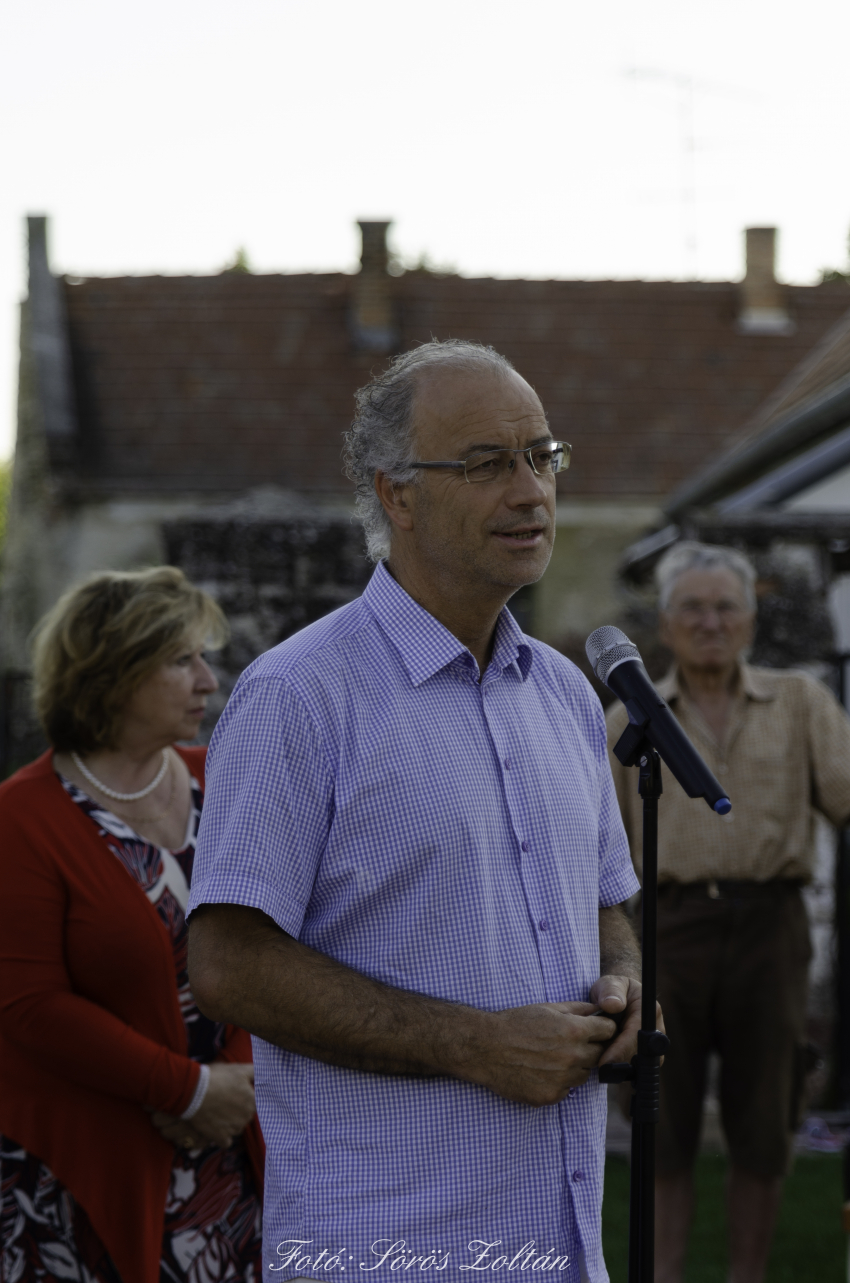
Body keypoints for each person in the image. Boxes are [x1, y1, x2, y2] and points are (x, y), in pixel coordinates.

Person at [186, 338, 658, 1283]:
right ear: (395, 494)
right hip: (384, 1244)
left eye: (541, 455)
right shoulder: (301, 695)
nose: (530, 491)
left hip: (558, 1240)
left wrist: (622, 980)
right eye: (488, 463)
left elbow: (604, 901)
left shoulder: (564, 694)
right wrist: (479, 1044)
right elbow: (228, 964)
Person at [0, 567, 264, 1283]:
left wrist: (240, 1088)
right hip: (86, 1169)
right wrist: (183, 1089)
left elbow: (288, 944)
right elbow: (29, 1006)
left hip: (235, 1155)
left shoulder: (229, 777)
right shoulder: (22, 817)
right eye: (182, 659)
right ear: (112, 672)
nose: (209, 680)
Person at [606, 541, 850, 1283]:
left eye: (725, 607)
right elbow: (602, 853)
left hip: (769, 926)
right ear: (667, 624)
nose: (709, 622)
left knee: (763, 1120)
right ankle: (666, 1275)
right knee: (665, 1120)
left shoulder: (801, 701)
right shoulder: (630, 716)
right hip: (667, 928)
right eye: (693, 608)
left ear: (750, 620)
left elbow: (846, 799)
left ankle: (748, 1276)